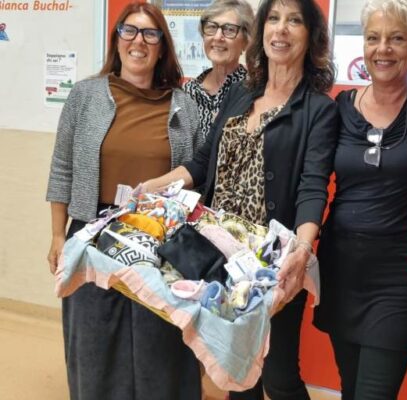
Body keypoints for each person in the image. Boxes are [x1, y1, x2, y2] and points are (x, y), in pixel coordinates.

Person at [143, 0, 338, 398]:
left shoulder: (319, 110)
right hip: (219, 250)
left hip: (270, 262)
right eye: (274, 19)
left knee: (280, 374)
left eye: (294, 21)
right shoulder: (242, 92)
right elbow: (203, 162)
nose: (281, 29)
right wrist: (155, 185)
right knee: (236, 367)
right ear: (261, 31)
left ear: (311, 36)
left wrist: (303, 249)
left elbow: (312, 186)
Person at [45, 3, 204, 399]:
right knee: (94, 343)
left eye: (150, 34)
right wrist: (57, 236)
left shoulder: (184, 106)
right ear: (116, 40)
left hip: (159, 238)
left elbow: (197, 177)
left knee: (160, 345)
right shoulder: (85, 95)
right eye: (129, 31)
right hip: (93, 234)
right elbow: (62, 168)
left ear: (162, 47)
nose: (139, 41)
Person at [312, 1, 407, 399]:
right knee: (350, 388)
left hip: (399, 277)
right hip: (341, 270)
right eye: (373, 38)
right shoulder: (342, 108)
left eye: (397, 38)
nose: (383, 49)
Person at [183, 0, 254, 142]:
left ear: (245, 41)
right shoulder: (188, 91)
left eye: (229, 30)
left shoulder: (254, 90)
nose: (217, 37)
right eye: (212, 27)